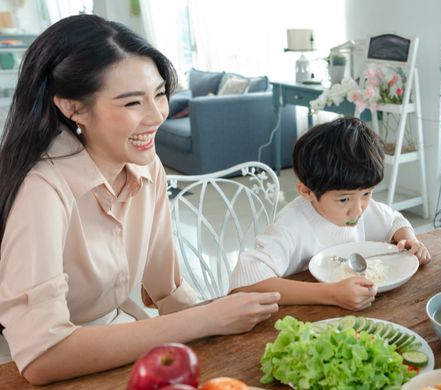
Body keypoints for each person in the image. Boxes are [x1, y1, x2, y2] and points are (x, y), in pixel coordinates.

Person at [0, 15, 280, 385]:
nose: (156, 116)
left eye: (160, 94)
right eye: (132, 102)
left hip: (124, 347)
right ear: (72, 107)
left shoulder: (146, 167)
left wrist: (228, 320)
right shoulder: (41, 188)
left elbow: (168, 290)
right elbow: (42, 357)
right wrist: (205, 320)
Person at [230, 117, 431, 310]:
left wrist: (409, 239)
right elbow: (246, 283)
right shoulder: (291, 225)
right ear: (307, 192)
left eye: (367, 193)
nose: (358, 208)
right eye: (343, 199)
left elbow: (394, 220)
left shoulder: (359, 206)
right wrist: (330, 293)